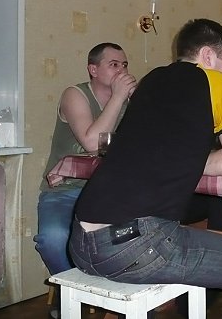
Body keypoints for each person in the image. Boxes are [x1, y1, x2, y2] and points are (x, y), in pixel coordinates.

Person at [69, 19, 222, 319]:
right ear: (208, 56)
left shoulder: (151, 80)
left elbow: (154, 148)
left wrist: (188, 160)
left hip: (81, 242)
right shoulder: (214, 80)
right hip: (135, 245)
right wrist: (195, 160)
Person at [34, 42, 137, 277]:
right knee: (52, 239)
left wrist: (139, 100)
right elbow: (92, 143)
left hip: (108, 191)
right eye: (114, 65)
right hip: (65, 191)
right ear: (93, 70)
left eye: (124, 65)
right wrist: (118, 97)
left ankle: (110, 288)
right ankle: (77, 290)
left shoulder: (129, 101)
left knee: (132, 235)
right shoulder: (74, 94)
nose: (122, 71)